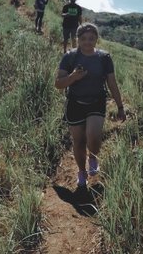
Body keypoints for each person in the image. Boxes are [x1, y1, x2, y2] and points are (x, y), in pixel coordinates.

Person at [54, 23, 126, 188]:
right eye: (84, 38)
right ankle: (81, 171)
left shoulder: (104, 58)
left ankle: (93, 157)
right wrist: (73, 77)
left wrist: (120, 107)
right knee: (78, 141)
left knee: (93, 136)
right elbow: (58, 84)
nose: (88, 42)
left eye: (91, 38)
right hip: (75, 103)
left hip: (97, 102)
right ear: (78, 39)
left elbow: (112, 83)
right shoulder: (69, 57)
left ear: (96, 39)